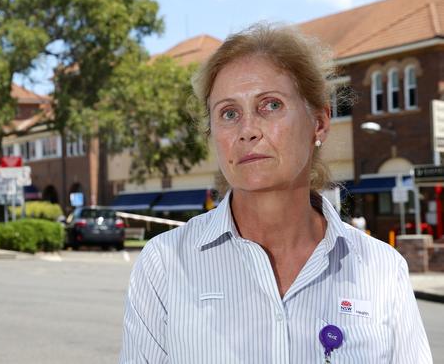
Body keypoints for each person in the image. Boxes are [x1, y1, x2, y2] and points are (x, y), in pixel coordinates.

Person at [119, 23, 432, 363]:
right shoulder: (165, 264)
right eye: (229, 113)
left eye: (270, 105)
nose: (247, 130)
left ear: (320, 122)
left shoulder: (382, 270)